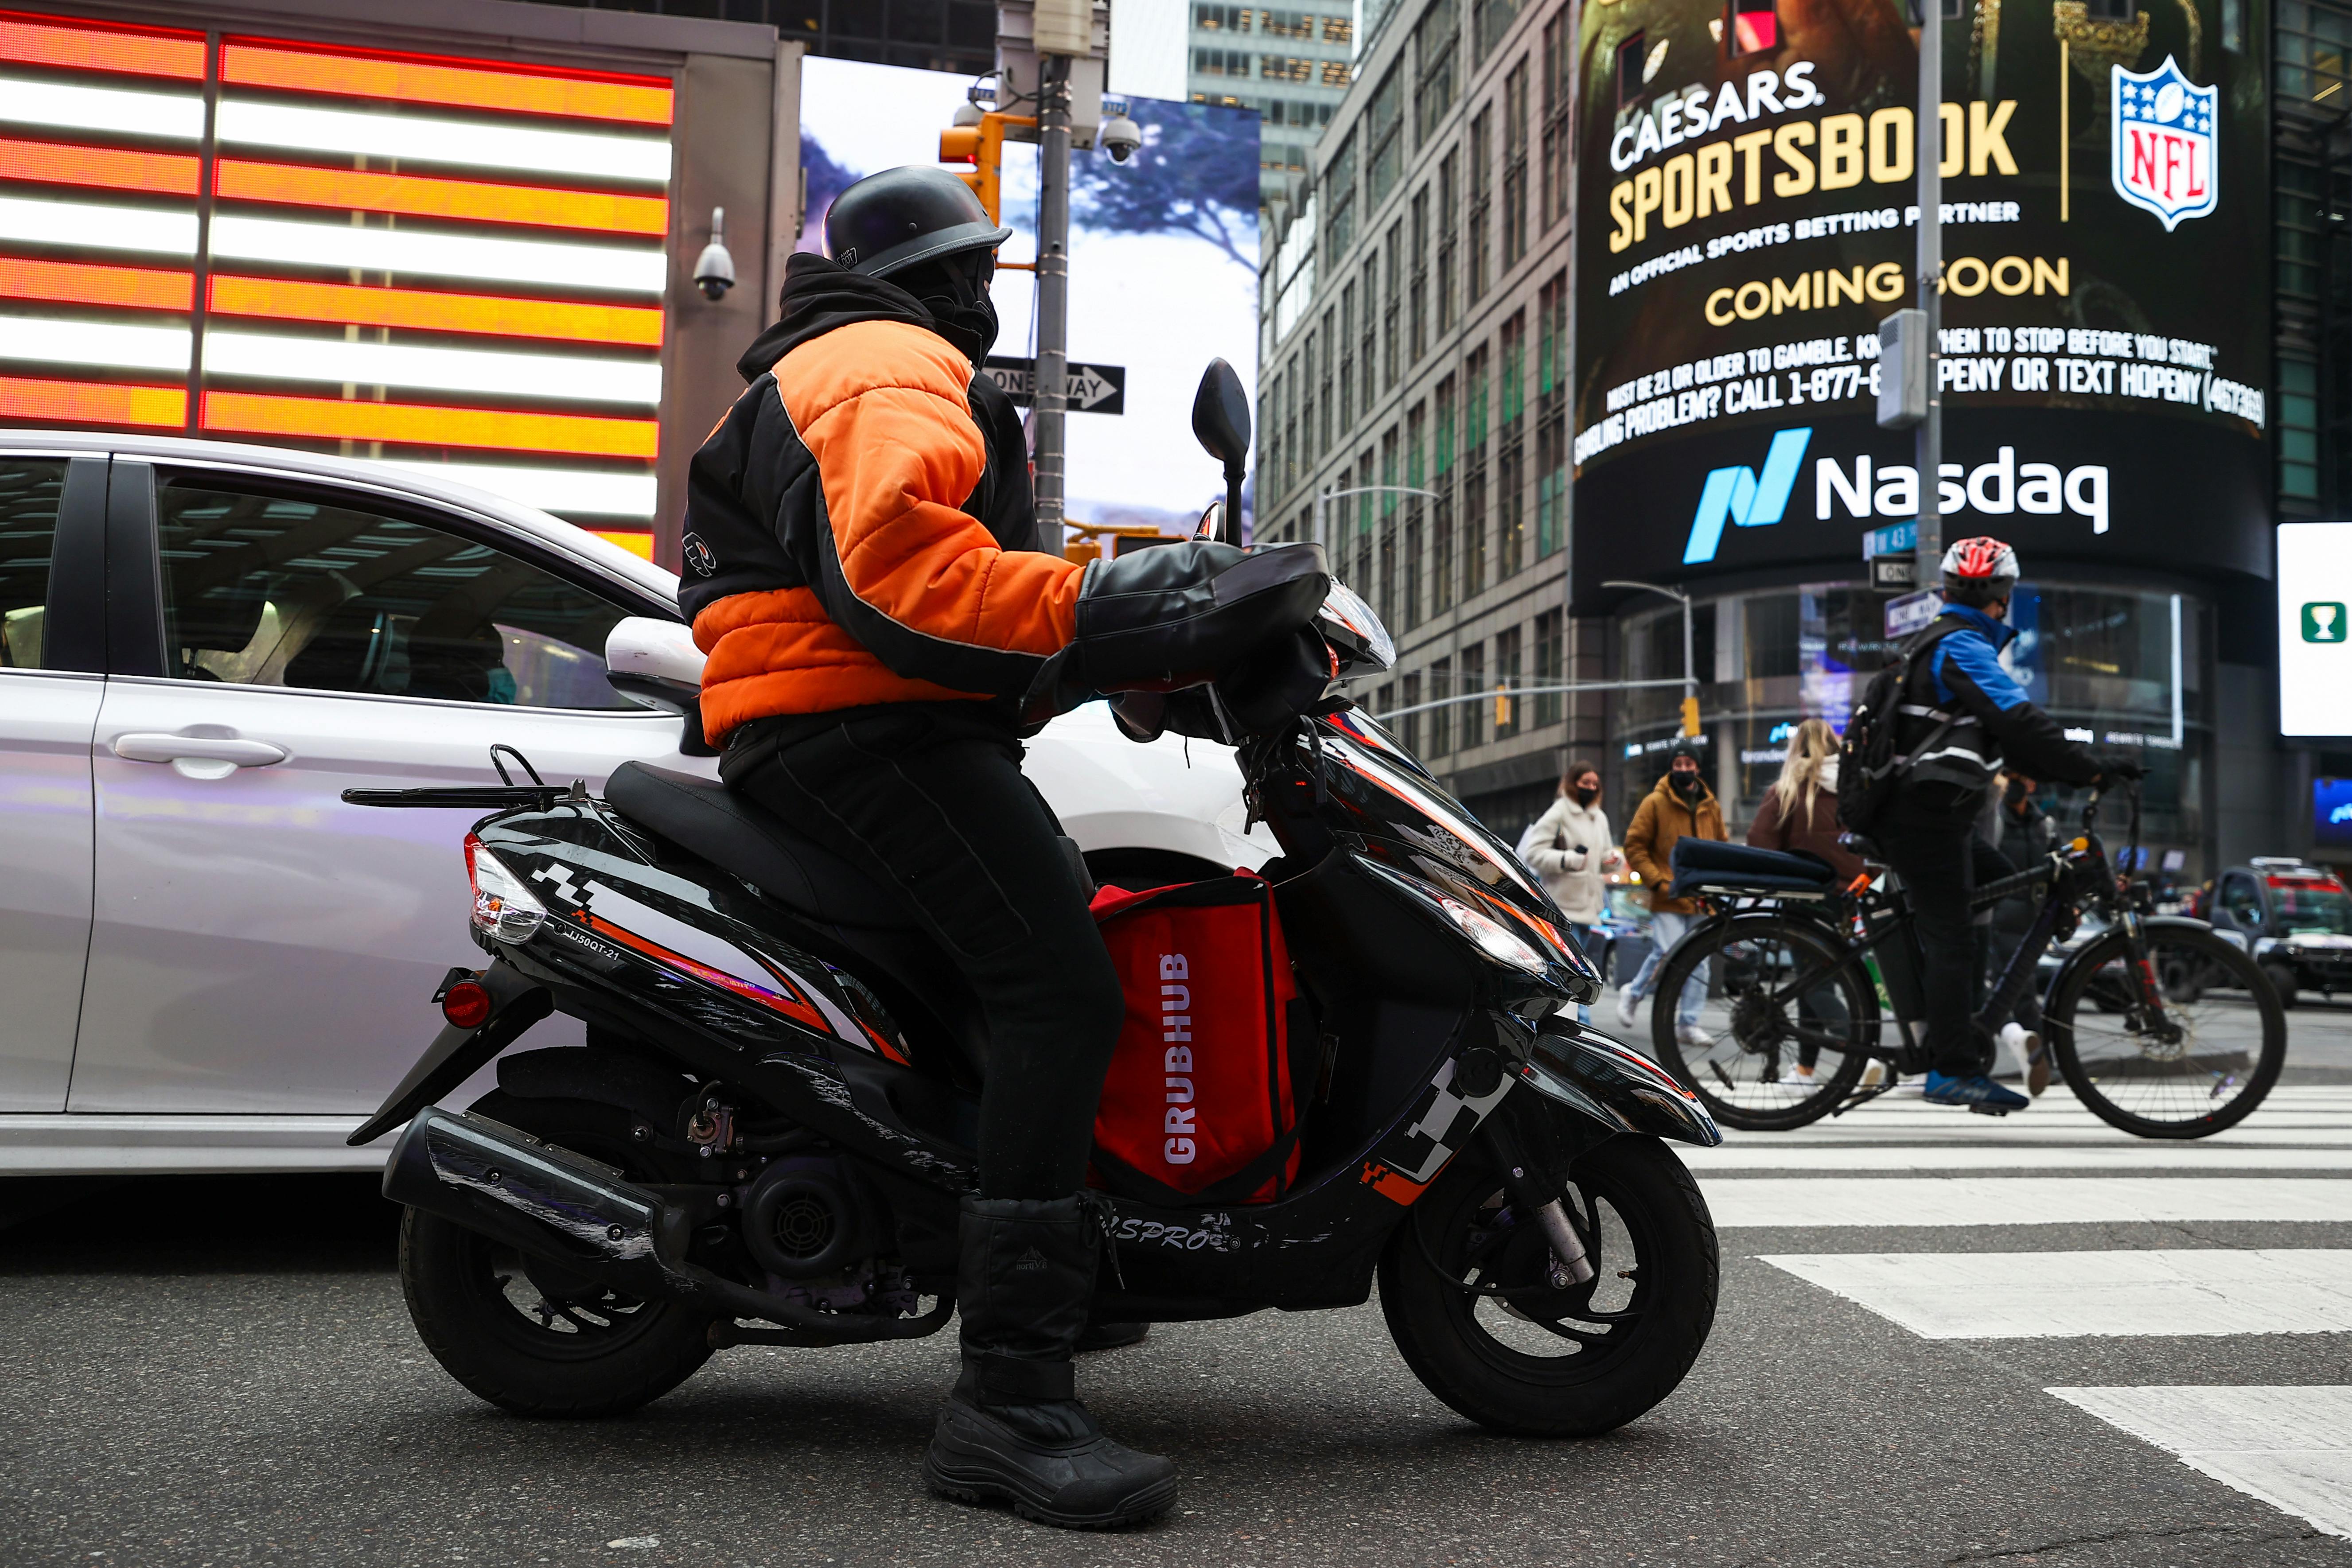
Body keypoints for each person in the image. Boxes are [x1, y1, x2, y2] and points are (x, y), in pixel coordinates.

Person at [675, 167, 1326, 1528]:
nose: (987, 296)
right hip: (860, 733)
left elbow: (946, 609)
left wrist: (1131, 638)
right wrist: (1117, 606)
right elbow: (901, 586)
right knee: (1059, 987)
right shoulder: (882, 363)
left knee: (1026, 962)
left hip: (862, 721)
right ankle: (1007, 1402)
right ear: (937, 279)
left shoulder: (857, 362)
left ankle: (1048, 1280)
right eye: (975, 271)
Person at [1879, 537, 2129, 1113]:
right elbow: (2020, 720)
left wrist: (2077, 772)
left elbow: (2009, 745)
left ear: (1949, 589)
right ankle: (1952, 1067)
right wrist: (2089, 767)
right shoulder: (1962, 646)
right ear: (2003, 596)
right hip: (1923, 821)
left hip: (1939, 816)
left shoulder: (1946, 641)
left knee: (2016, 879)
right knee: (1954, 937)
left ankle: (1973, 1024)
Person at [1747, 717, 1866, 1088]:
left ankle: (1863, 1050)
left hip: (1803, 897)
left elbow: (1758, 841)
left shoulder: (1790, 787)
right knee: (1820, 979)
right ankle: (1806, 1070)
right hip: (1849, 897)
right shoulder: (1852, 785)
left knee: (1813, 982)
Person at [1616, 743, 1728, 1046]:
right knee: (1667, 950)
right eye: (1677, 763)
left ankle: (1688, 1024)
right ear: (1671, 767)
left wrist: (1719, 885)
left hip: (1701, 897)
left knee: (1699, 961)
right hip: (1667, 892)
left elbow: (1722, 848)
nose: (1683, 768)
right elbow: (1635, 845)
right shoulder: (1654, 802)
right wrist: (1656, 881)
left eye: (1688, 762)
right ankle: (1634, 992)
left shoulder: (1711, 805)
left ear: (1698, 767)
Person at [1518, 759, 1624, 1024]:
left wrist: (1613, 860)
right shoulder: (1560, 812)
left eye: (1594, 784)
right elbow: (1533, 853)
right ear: (1573, 783)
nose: (1590, 787)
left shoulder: (1600, 817)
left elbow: (1605, 854)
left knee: (1578, 971)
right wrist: (1568, 860)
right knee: (1574, 972)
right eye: (1584, 782)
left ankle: (1566, 1020)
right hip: (1564, 906)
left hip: (1589, 907)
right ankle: (1578, 1023)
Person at [1978, 770, 2057, 1092]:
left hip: (2031, 919)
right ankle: (2032, 1053)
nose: (2013, 784)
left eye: (2020, 778)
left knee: (2015, 991)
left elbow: (2055, 865)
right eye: (2008, 777)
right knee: (2015, 990)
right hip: (1998, 916)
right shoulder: (1993, 817)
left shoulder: (2043, 824)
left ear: (2033, 783)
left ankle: (2031, 1052)